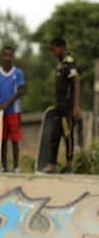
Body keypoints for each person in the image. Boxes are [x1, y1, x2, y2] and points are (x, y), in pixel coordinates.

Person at [45, 36, 80, 174]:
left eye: (54, 50)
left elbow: (76, 82)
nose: (53, 53)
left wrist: (76, 106)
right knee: (54, 136)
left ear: (62, 48)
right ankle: (52, 166)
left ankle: (69, 165)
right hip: (59, 107)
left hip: (67, 108)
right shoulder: (60, 65)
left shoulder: (69, 62)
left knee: (68, 136)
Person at [0, 46, 26, 172]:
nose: (7, 58)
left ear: (13, 57)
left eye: (10, 55)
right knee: (3, 139)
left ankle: (16, 166)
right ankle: (4, 166)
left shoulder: (18, 73)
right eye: (5, 55)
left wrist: (7, 103)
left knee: (15, 139)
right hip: (1, 112)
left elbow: (21, 90)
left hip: (14, 111)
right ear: (2, 56)